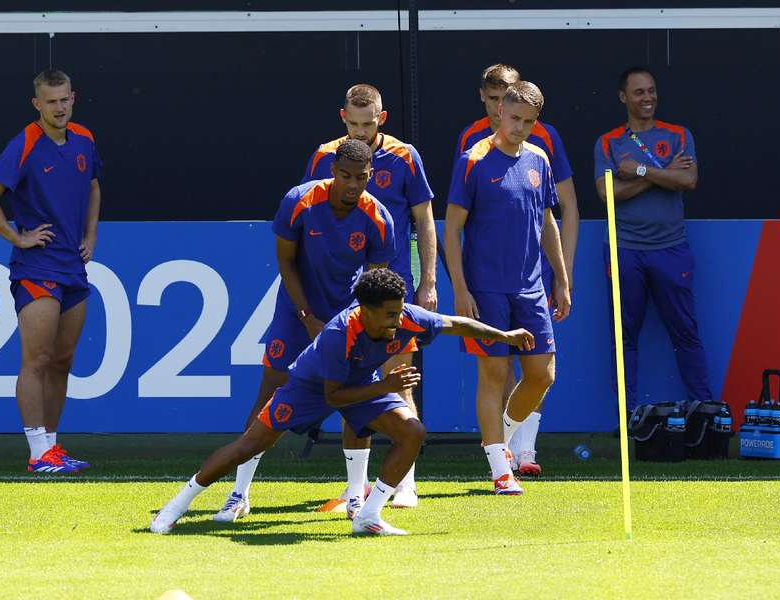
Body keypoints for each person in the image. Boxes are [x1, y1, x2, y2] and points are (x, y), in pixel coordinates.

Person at [150, 268, 534, 536]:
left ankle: (368, 516)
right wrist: (388, 384)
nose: (396, 321)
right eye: (388, 315)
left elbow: (457, 324)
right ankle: (176, 507)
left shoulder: (405, 317)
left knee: (411, 431)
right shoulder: (340, 333)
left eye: (399, 311)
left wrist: (506, 335)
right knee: (247, 447)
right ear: (363, 311)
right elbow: (334, 398)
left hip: (362, 384)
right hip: (308, 388)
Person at [212, 139, 396, 522]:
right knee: (270, 392)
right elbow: (286, 263)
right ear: (333, 171)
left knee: (356, 402)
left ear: (370, 176)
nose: (351, 184)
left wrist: (352, 325)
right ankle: (239, 493)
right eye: (345, 176)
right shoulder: (299, 201)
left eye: (360, 178)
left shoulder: (378, 218)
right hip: (296, 313)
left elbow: (376, 285)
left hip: (349, 318)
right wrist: (308, 316)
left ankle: (355, 498)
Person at [301, 83, 438, 510]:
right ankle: (357, 488)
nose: (361, 132)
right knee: (352, 385)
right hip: (343, 295)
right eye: (353, 124)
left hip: (392, 290)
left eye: (369, 123)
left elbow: (424, 219)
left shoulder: (405, 156)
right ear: (342, 117)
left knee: (403, 378)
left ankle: (406, 482)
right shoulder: (325, 157)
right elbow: (310, 217)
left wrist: (428, 280)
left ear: (383, 117)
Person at [0, 69, 101, 473]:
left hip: (72, 267)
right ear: (37, 105)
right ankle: (36, 452)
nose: (59, 107)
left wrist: (91, 236)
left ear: (73, 98)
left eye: (64, 99)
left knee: (62, 359)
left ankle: (52, 448)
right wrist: (17, 237)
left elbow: (93, 186)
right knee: (37, 359)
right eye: (50, 101)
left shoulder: (85, 138)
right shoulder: (24, 143)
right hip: (38, 265)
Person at [444, 81, 571, 495]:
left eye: (529, 121)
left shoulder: (539, 159)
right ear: (500, 111)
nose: (520, 127)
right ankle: (501, 469)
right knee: (494, 373)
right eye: (514, 118)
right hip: (485, 289)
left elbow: (548, 221)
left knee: (542, 375)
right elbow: (452, 230)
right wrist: (460, 290)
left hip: (531, 287)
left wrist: (561, 279)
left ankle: (503, 435)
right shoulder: (473, 160)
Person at [594, 66, 710, 410]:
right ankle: (628, 418)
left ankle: (704, 410)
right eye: (640, 92)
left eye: (652, 91)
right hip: (624, 249)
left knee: (685, 332)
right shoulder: (608, 142)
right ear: (623, 97)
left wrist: (641, 171)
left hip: (670, 248)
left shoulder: (678, 134)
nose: (648, 98)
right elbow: (607, 193)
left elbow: (688, 181)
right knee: (624, 336)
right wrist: (664, 174)